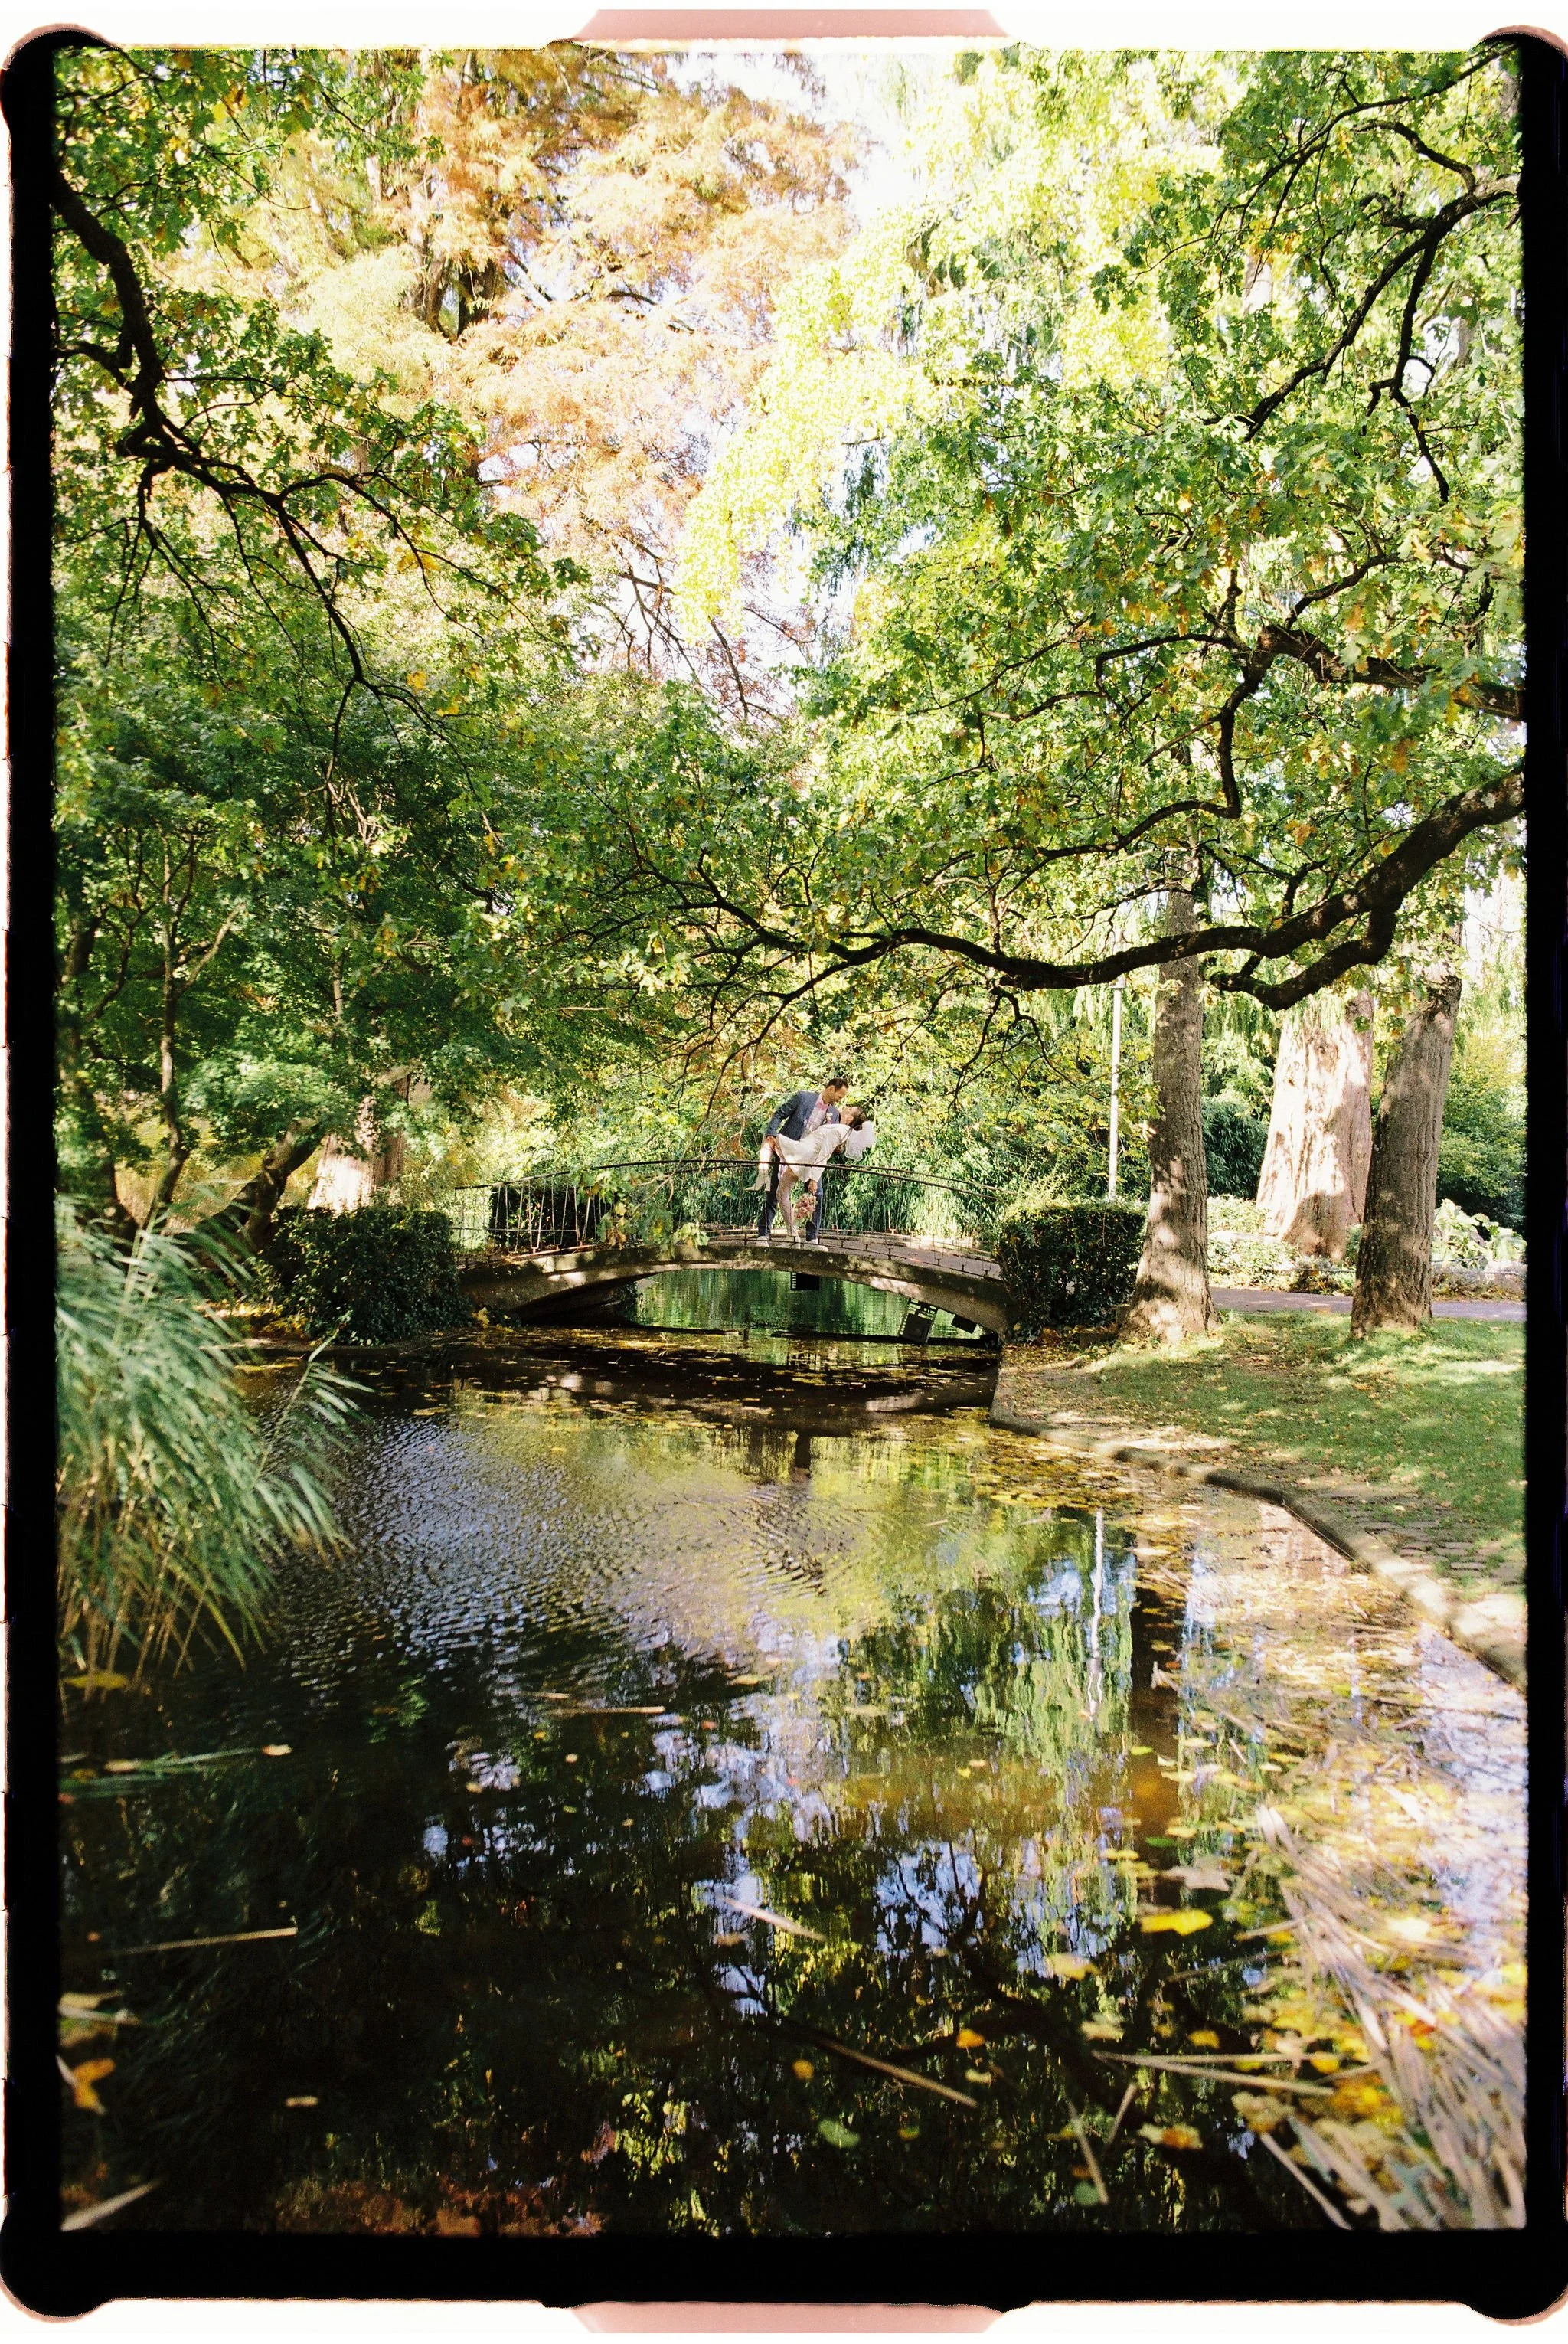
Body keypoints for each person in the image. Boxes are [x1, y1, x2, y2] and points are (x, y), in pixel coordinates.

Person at [756, 1107, 875, 1240]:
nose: (846, 1108)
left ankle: (762, 1176)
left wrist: (814, 1180)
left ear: (850, 1118)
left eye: (850, 1109)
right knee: (781, 1194)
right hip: (804, 1156)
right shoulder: (841, 1130)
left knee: (770, 1138)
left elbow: (824, 1156)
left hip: (802, 1154)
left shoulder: (838, 1131)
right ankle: (792, 1236)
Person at [754, 1078, 847, 1240]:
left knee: (816, 1194)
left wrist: (839, 1149)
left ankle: (812, 1238)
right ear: (831, 1089)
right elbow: (780, 1113)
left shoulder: (835, 1114)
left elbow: (831, 1146)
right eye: (839, 1096)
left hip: (810, 1159)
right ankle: (764, 1233)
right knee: (774, 1192)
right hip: (788, 1150)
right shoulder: (803, 1098)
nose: (840, 1100)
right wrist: (771, 1133)